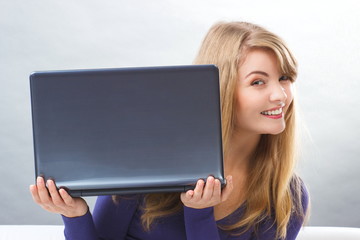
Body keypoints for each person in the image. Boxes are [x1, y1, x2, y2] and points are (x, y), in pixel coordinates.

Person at [30, 21, 309, 240]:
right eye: (258, 82)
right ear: (220, 90)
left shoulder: (288, 196)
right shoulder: (143, 167)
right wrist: (75, 215)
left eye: (285, 78)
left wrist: (199, 214)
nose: (280, 95)